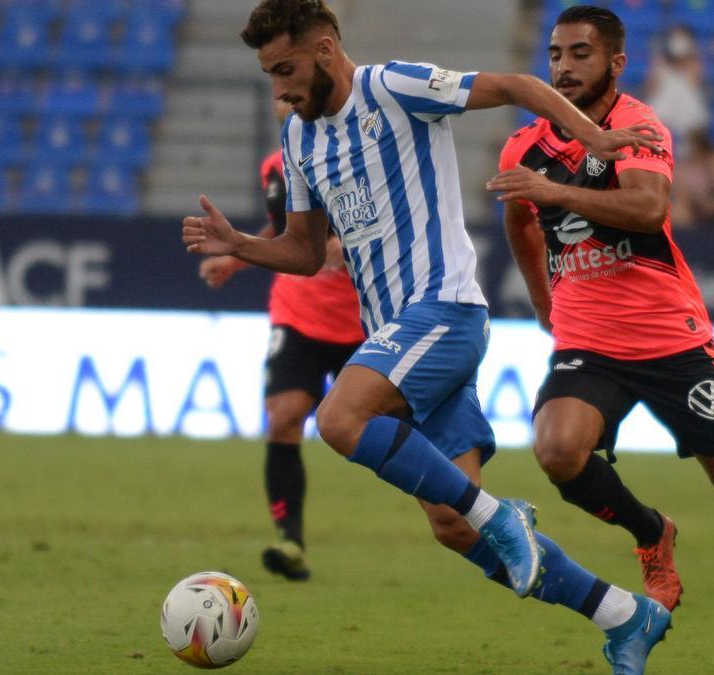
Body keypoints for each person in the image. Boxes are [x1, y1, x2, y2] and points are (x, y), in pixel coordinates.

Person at [181, 1, 670, 671]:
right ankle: (623, 614)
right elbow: (303, 248)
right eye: (269, 75)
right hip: (398, 334)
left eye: (287, 69)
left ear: (325, 50)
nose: (280, 89)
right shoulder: (300, 139)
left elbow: (517, 87)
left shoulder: (393, 87)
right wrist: (242, 244)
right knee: (452, 525)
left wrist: (594, 136)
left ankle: (504, 517)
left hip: (443, 309)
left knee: (341, 418)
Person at [487, 7, 714, 673]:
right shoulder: (526, 147)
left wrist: (554, 193)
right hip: (588, 339)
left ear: (615, 62)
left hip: (670, 340)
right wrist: (546, 303)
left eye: (580, 53)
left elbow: (648, 208)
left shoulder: (638, 125)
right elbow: (520, 221)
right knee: (557, 449)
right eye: (555, 55)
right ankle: (651, 532)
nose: (565, 67)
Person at [199, 100, 364, 581]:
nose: (284, 103)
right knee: (284, 415)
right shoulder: (275, 165)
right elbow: (289, 228)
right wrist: (238, 258)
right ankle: (289, 538)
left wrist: (349, 244)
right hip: (298, 313)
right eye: (278, 93)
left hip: (362, 321)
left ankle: (463, 514)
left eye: (293, 93)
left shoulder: (357, 157)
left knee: (383, 431)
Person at [643, 25, 709, 153]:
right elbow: (650, 88)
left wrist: (686, 60)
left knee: (695, 122)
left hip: (687, 103)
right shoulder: (660, 61)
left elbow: (695, 83)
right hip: (664, 102)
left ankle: (687, 149)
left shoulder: (695, 61)